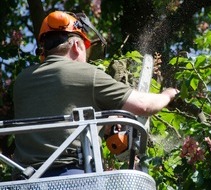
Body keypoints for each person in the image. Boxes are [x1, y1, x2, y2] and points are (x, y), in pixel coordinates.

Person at [12, 11, 178, 178]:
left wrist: (102, 122)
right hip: (74, 177)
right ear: (77, 46)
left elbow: (56, 112)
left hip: (24, 179)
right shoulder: (84, 73)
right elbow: (144, 105)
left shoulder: (21, 81)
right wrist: (168, 94)